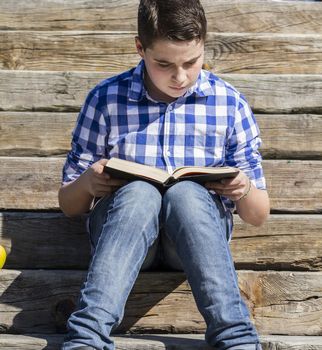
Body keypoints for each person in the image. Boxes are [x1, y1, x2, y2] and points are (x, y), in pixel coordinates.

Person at [58, 0, 270, 349]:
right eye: (164, 64)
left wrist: (242, 188)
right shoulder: (106, 99)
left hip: (192, 239)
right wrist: (88, 182)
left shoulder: (229, 104)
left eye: (192, 62)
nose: (181, 76)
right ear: (140, 48)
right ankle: (87, 338)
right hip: (123, 237)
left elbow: (258, 215)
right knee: (140, 193)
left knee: (185, 193)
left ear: (204, 44)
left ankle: (236, 337)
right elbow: (69, 204)